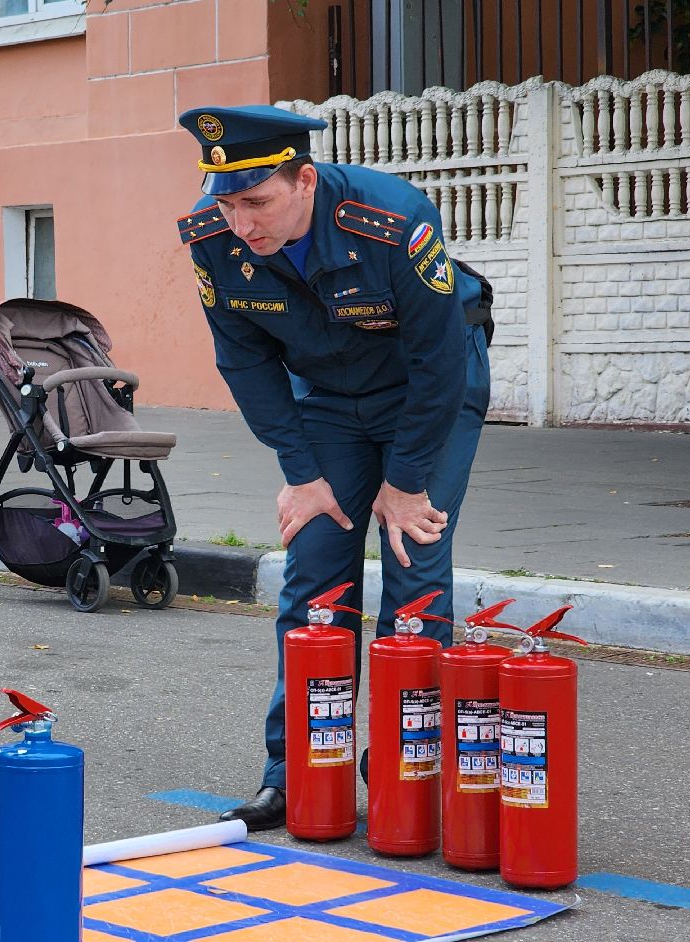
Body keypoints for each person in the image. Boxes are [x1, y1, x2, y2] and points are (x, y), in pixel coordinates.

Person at [177, 105, 492, 830]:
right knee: (315, 576)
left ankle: (406, 769)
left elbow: (439, 363)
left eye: (257, 202)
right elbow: (244, 361)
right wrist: (301, 473)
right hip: (325, 398)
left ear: (306, 181)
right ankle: (295, 772)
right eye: (227, 204)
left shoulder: (393, 220)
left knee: (413, 567)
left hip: (427, 395)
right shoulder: (211, 239)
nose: (241, 224)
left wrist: (404, 483)